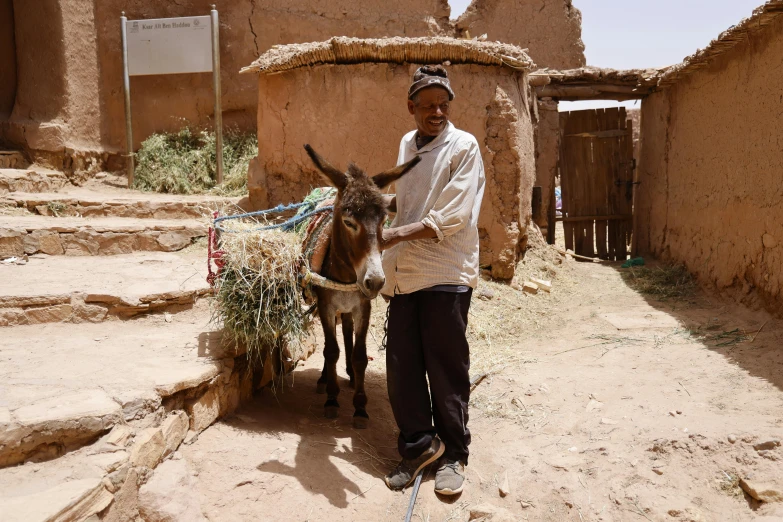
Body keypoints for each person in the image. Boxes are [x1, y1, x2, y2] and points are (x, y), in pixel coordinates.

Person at [380, 65, 485, 496]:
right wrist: (371, 203)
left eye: (443, 104)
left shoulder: (464, 146)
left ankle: (455, 454)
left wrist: (391, 235)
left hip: (446, 272)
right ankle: (420, 447)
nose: (436, 112)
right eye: (427, 105)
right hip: (405, 274)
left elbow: (452, 216)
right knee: (402, 367)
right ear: (411, 108)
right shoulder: (408, 143)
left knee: (445, 368)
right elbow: (408, 202)